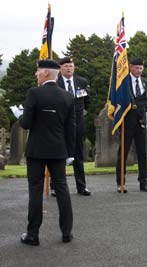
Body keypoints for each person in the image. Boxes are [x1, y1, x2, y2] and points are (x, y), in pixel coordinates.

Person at [10, 59, 75, 246]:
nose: (36, 74)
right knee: (62, 189)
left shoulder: (34, 93)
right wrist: (70, 153)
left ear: (46, 73)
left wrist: (19, 116)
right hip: (58, 150)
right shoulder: (67, 97)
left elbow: (27, 123)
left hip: (37, 151)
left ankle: (33, 235)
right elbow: (71, 128)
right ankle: (66, 233)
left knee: (36, 191)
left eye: (38, 71)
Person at [115, 58, 147, 193]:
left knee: (142, 153)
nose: (139, 71)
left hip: (141, 123)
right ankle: (121, 183)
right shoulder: (123, 82)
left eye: (141, 68)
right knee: (123, 153)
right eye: (137, 68)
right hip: (127, 122)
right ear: (131, 67)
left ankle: (144, 182)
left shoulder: (146, 83)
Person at [54, 57, 91, 196]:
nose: (69, 68)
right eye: (66, 66)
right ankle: (55, 187)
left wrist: (80, 115)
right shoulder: (56, 83)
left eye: (71, 66)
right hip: (61, 124)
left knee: (78, 155)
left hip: (78, 123)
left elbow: (87, 101)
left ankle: (81, 186)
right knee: (58, 155)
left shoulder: (82, 82)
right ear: (60, 68)